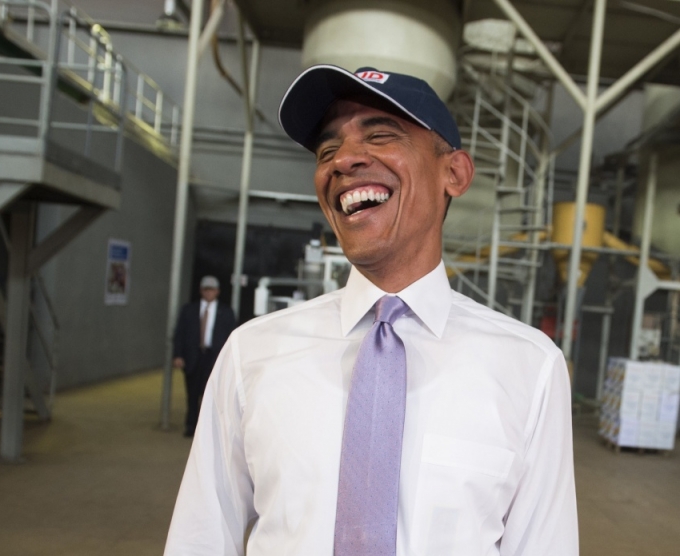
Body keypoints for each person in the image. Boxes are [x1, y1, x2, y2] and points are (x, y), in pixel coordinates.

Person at [165, 65, 578, 555]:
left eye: (381, 135)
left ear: (454, 173)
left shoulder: (530, 368)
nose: (343, 161)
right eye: (327, 150)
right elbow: (200, 537)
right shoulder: (251, 354)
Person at [172, 275, 237, 437]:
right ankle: (191, 426)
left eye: (212, 290)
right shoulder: (189, 310)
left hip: (214, 358)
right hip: (194, 357)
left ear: (217, 291)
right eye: (206, 289)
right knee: (192, 394)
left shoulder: (226, 312)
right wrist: (178, 355)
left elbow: (232, 336)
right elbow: (180, 333)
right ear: (201, 291)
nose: (209, 293)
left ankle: (209, 428)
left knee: (211, 394)